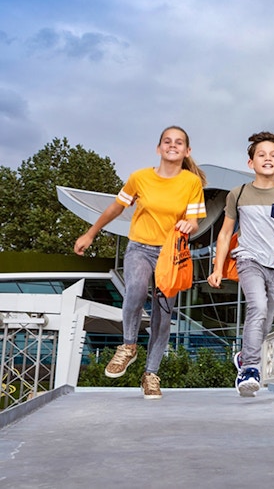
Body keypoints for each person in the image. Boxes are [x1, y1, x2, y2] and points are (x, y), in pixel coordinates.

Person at [74, 126, 206, 399]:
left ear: (187, 151)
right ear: (158, 148)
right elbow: (116, 207)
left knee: (163, 314)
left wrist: (188, 224)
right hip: (140, 248)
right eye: (167, 141)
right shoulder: (140, 178)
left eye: (179, 142)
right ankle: (128, 346)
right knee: (134, 290)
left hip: (171, 253)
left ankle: (151, 375)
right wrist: (90, 233)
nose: (172, 146)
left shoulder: (191, 183)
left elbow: (195, 221)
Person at [207, 131, 274, 397]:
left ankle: (242, 356)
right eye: (261, 155)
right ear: (251, 163)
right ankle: (250, 368)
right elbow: (225, 234)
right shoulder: (237, 195)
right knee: (257, 307)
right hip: (248, 259)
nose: (267, 158)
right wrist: (217, 268)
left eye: (273, 155)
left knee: (267, 321)